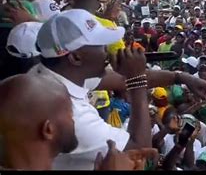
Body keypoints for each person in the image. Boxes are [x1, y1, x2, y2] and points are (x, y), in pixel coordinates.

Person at [30, 9, 151, 170]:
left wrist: (178, 77)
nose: (107, 52)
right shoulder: (72, 116)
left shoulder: (46, 73)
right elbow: (140, 148)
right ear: (76, 57)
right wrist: (138, 80)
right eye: (101, 46)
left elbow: (120, 80)